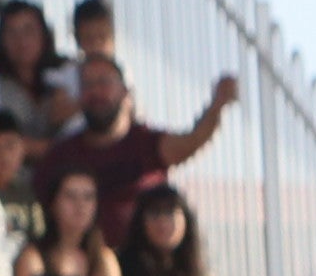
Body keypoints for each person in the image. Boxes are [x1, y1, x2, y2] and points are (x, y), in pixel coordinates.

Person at [31, 52, 241, 247]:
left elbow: (191, 141)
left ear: (125, 91)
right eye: (87, 85)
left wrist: (217, 106)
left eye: (103, 83)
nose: (95, 92)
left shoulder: (148, 143)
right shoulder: (61, 156)